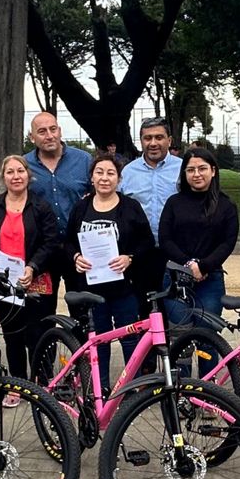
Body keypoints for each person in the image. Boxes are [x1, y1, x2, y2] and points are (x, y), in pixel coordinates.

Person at [68, 154, 154, 390]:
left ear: (118, 178)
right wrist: (75, 257)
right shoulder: (81, 207)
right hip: (92, 290)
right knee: (98, 340)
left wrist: (130, 258)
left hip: (124, 287)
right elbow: (66, 242)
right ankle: (101, 387)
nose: (104, 178)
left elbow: (146, 242)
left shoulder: (131, 207)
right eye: (99, 172)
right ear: (92, 177)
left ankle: (132, 386)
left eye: (110, 173)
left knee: (129, 338)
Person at [0, 156, 61, 382]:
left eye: (20, 171)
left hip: (36, 279)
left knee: (39, 333)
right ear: (3, 177)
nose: (16, 176)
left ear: (28, 175)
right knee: (13, 335)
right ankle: (18, 382)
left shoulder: (41, 206)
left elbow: (51, 241)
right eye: (10, 172)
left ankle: (42, 381)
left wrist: (33, 266)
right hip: (3, 281)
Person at [157, 147, 238, 325]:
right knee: (180, 336)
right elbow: (165, 238)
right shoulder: (174, 203)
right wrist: (189, 265)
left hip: (211, 279)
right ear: (184, 173)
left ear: (213, 171)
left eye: (202, 168)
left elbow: (228, 242)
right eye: (191, 170)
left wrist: (203, 266)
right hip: (176, 277)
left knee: (207, 339)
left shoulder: (226, 205)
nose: (196, 174)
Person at [24, 111, 91, 294]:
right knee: (42, 311)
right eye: (42, 131)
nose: (49, 135)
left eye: (53, 129)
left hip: (78, 248)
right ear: (32, 137)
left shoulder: (83, 160)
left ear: (60, 131)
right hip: (41, 249)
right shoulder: (24, 166)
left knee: (82, 308)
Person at [119, 116, 182, 305]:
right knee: (145, 309)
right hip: (140, 254)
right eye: (147, 138)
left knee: (176, 310)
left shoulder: (183, 169)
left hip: (176, 251)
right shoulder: (127, 173)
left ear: (169, 140)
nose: (153, 143)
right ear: (141, 141)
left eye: (159, 137)